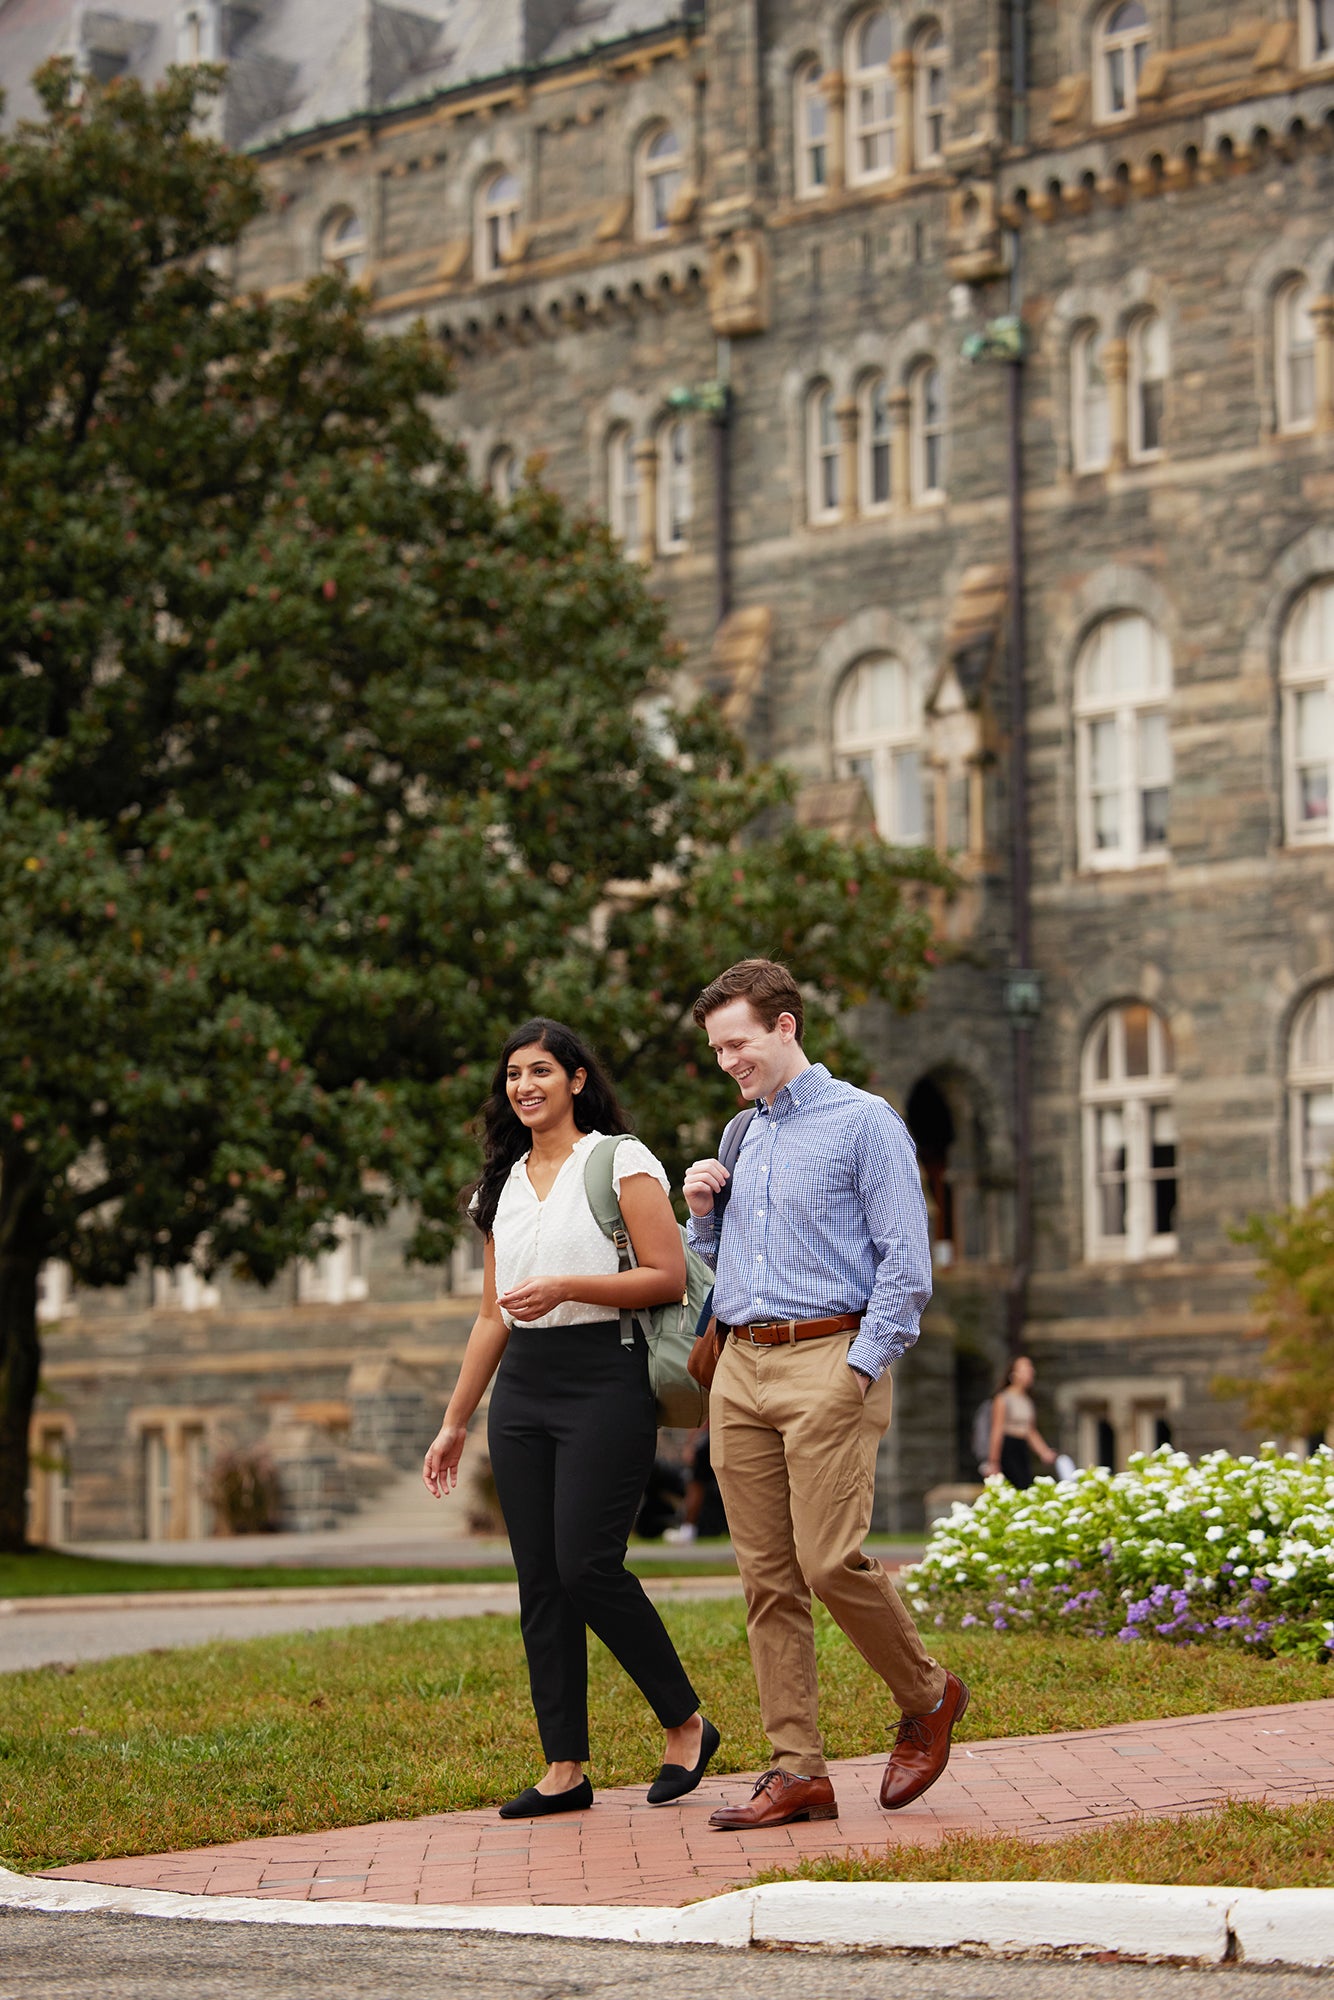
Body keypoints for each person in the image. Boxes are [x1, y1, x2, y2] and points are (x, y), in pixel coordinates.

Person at [684, 958, 969, 1831]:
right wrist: (701, 1211)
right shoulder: (744, 1135)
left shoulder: (865, 1126)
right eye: (717, 1049)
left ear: (784, 1027)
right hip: (740, 1368)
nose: (729, 1061)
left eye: (738, 1044)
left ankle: (928, 1696)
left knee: (826, 1561)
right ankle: (797, 1770)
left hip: (829, 1360)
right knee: (767, 1581)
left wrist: (859, 1368)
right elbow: (732, 1256)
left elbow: (906, 1268)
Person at [423, 1018, 719, 1819]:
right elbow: (491, 1316)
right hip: (523, 1387)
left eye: (542, 1071)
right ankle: (564, 1767)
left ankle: (686, 1721)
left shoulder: (619, 1159)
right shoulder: (501, 1186)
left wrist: (566, 1287)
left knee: (588, 1564)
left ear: (577, 1080)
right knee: (541, 1582)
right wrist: (455, 1423)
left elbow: (663, 1276)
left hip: (605, 1375)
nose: (525, 1086)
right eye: (514, 1074)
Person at [984, 1355, 1057, 1489]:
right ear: (1013, 1374)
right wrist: (993, 1461)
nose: (1031, 1371)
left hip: (1021, 1447)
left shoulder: (1027, 1401)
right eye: (1025, 1368)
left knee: (1026, 1484)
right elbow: (997, 1430)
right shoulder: (1003, 1398)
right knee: (1014, 1485)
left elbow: (1030, 1430)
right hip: (1008, 1447)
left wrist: (1044, 1452)